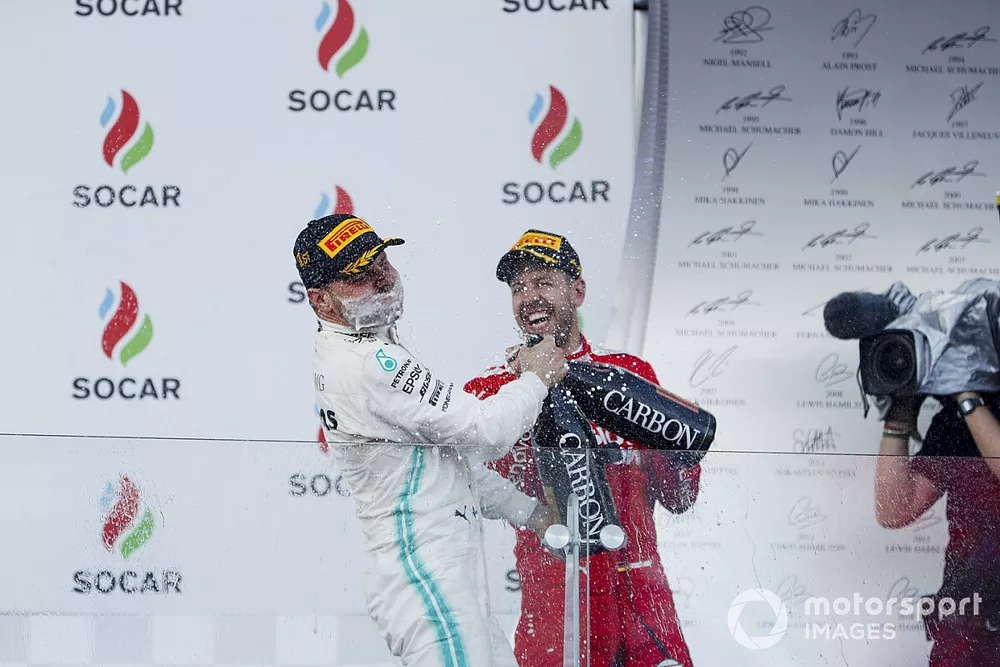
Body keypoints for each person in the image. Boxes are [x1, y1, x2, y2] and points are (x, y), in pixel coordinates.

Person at [293, 214, 567, 667]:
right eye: (361, 276)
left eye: (382, 262)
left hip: (445, 574)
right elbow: (487, 432)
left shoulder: (366, 348)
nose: (382, 280)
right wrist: (537, 377)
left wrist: (533, 514)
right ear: (321, 301)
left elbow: (446, 465)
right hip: (425, 578)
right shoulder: (370, 363)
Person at [463, 229, 701, 667]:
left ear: (577, 291)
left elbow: (679, 497)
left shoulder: (627, 373)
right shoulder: (491, 391)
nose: (528, 296)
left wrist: (686, 448)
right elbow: (465, 483)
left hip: (640, 596)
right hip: (556, 599)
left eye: (543, 282)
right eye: (518, 288)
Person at [875, 391, 1000, 667]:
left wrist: (967, 396)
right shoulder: (961, 420)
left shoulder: (971, 413)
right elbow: (893, 509)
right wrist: (899, 416)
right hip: (969, 633)